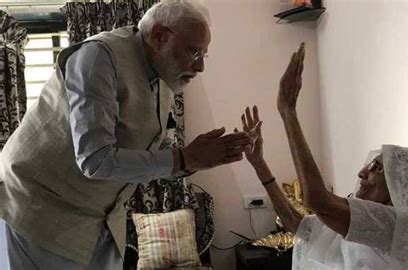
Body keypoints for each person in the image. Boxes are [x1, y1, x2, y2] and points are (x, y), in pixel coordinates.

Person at [0, 1, 251, 269]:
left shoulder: (165, 78)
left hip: (101, 219)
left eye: (203, 55)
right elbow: (95, 160)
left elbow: (152, 159)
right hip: (41, 210)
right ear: (159, 37)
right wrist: (183, 159)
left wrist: (195, 160)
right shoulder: (98, 58)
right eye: (193, 52)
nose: (200, 67)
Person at [238, 43, 408, 269]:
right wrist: (260, 165)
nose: (362, 172)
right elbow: (296, 224)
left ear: (402, 187)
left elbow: (318, 201)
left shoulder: (396, 223)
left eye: (377, 168)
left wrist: (288, 110)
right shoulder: (372, 218)